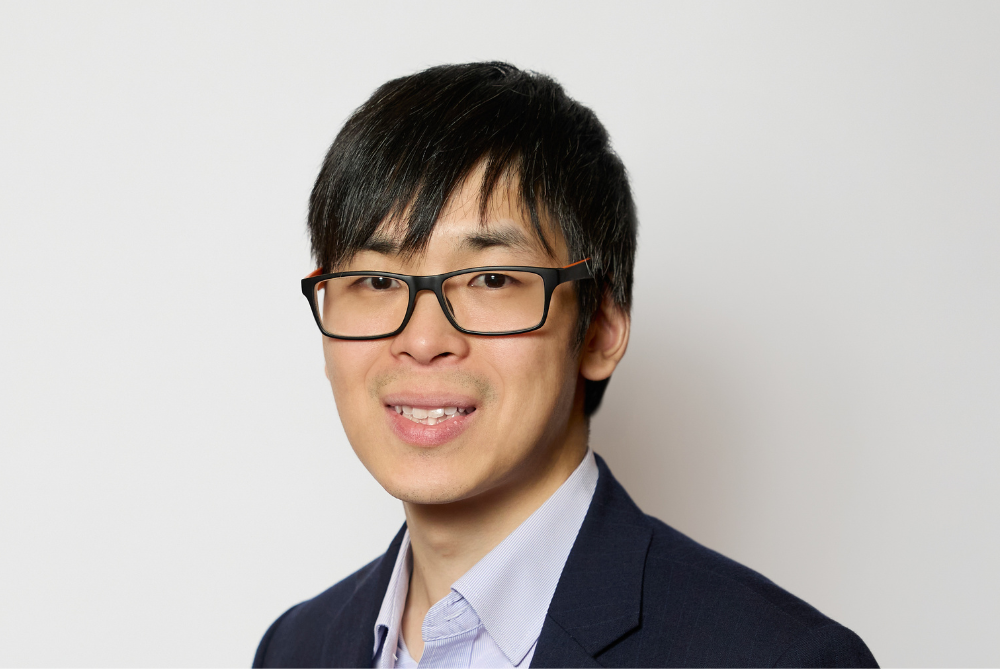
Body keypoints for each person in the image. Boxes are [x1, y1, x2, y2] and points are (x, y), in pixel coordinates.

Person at [253, 62, 878, 668]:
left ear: (601, 330)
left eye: (491, 278)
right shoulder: (295, 648)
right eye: (376, 280)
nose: (421, 340)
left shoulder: (781, 658)